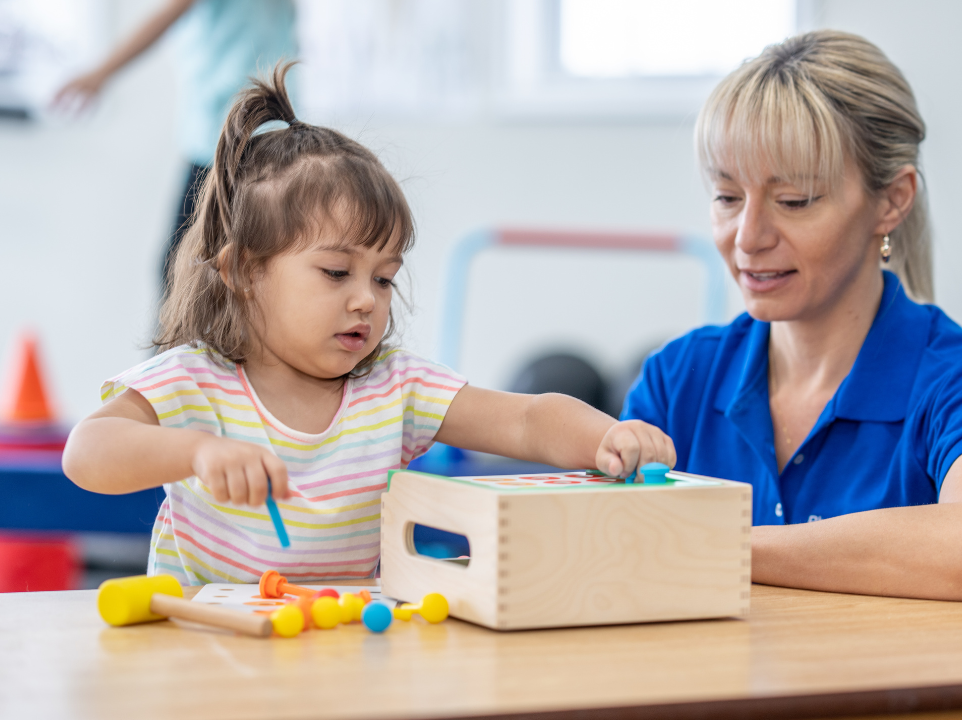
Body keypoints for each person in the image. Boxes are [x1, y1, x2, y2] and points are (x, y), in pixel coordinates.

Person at [62, 64, 675, 584]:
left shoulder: (393, 389)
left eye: (383, 279)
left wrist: (606, 437)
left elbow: (524, 417)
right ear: (244, 272)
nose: (366, 301)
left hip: (339, 658)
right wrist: (195, 451)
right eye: (335, 273)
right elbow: (87, 453)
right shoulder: (194, 381)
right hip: (203, 661)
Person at [621, 30, 962, 602]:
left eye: (794, 200)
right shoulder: (679, 379)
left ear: (892, 200)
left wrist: (706, 541)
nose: (747, 238)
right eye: (727, 197)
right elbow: (611, 546)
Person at [52, 0, 298, 297]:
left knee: (182, 271)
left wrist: (101, 73)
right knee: (232, 267)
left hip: (225, 140)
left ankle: (179, 343)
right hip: (270, 134)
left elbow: (168, 14)